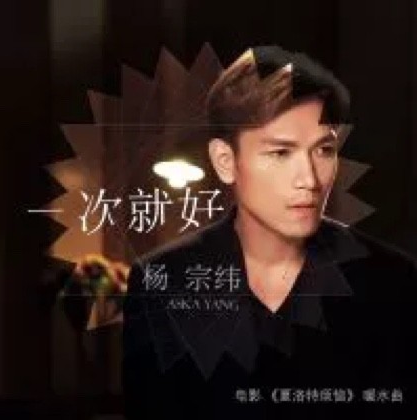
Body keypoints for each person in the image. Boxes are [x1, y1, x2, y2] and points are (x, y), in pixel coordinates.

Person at [122, 45, 417, 419]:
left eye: (324, 150)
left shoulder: (392, 281)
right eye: (281, 153)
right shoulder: (162, 281)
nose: (309, 179)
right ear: (225, 161)